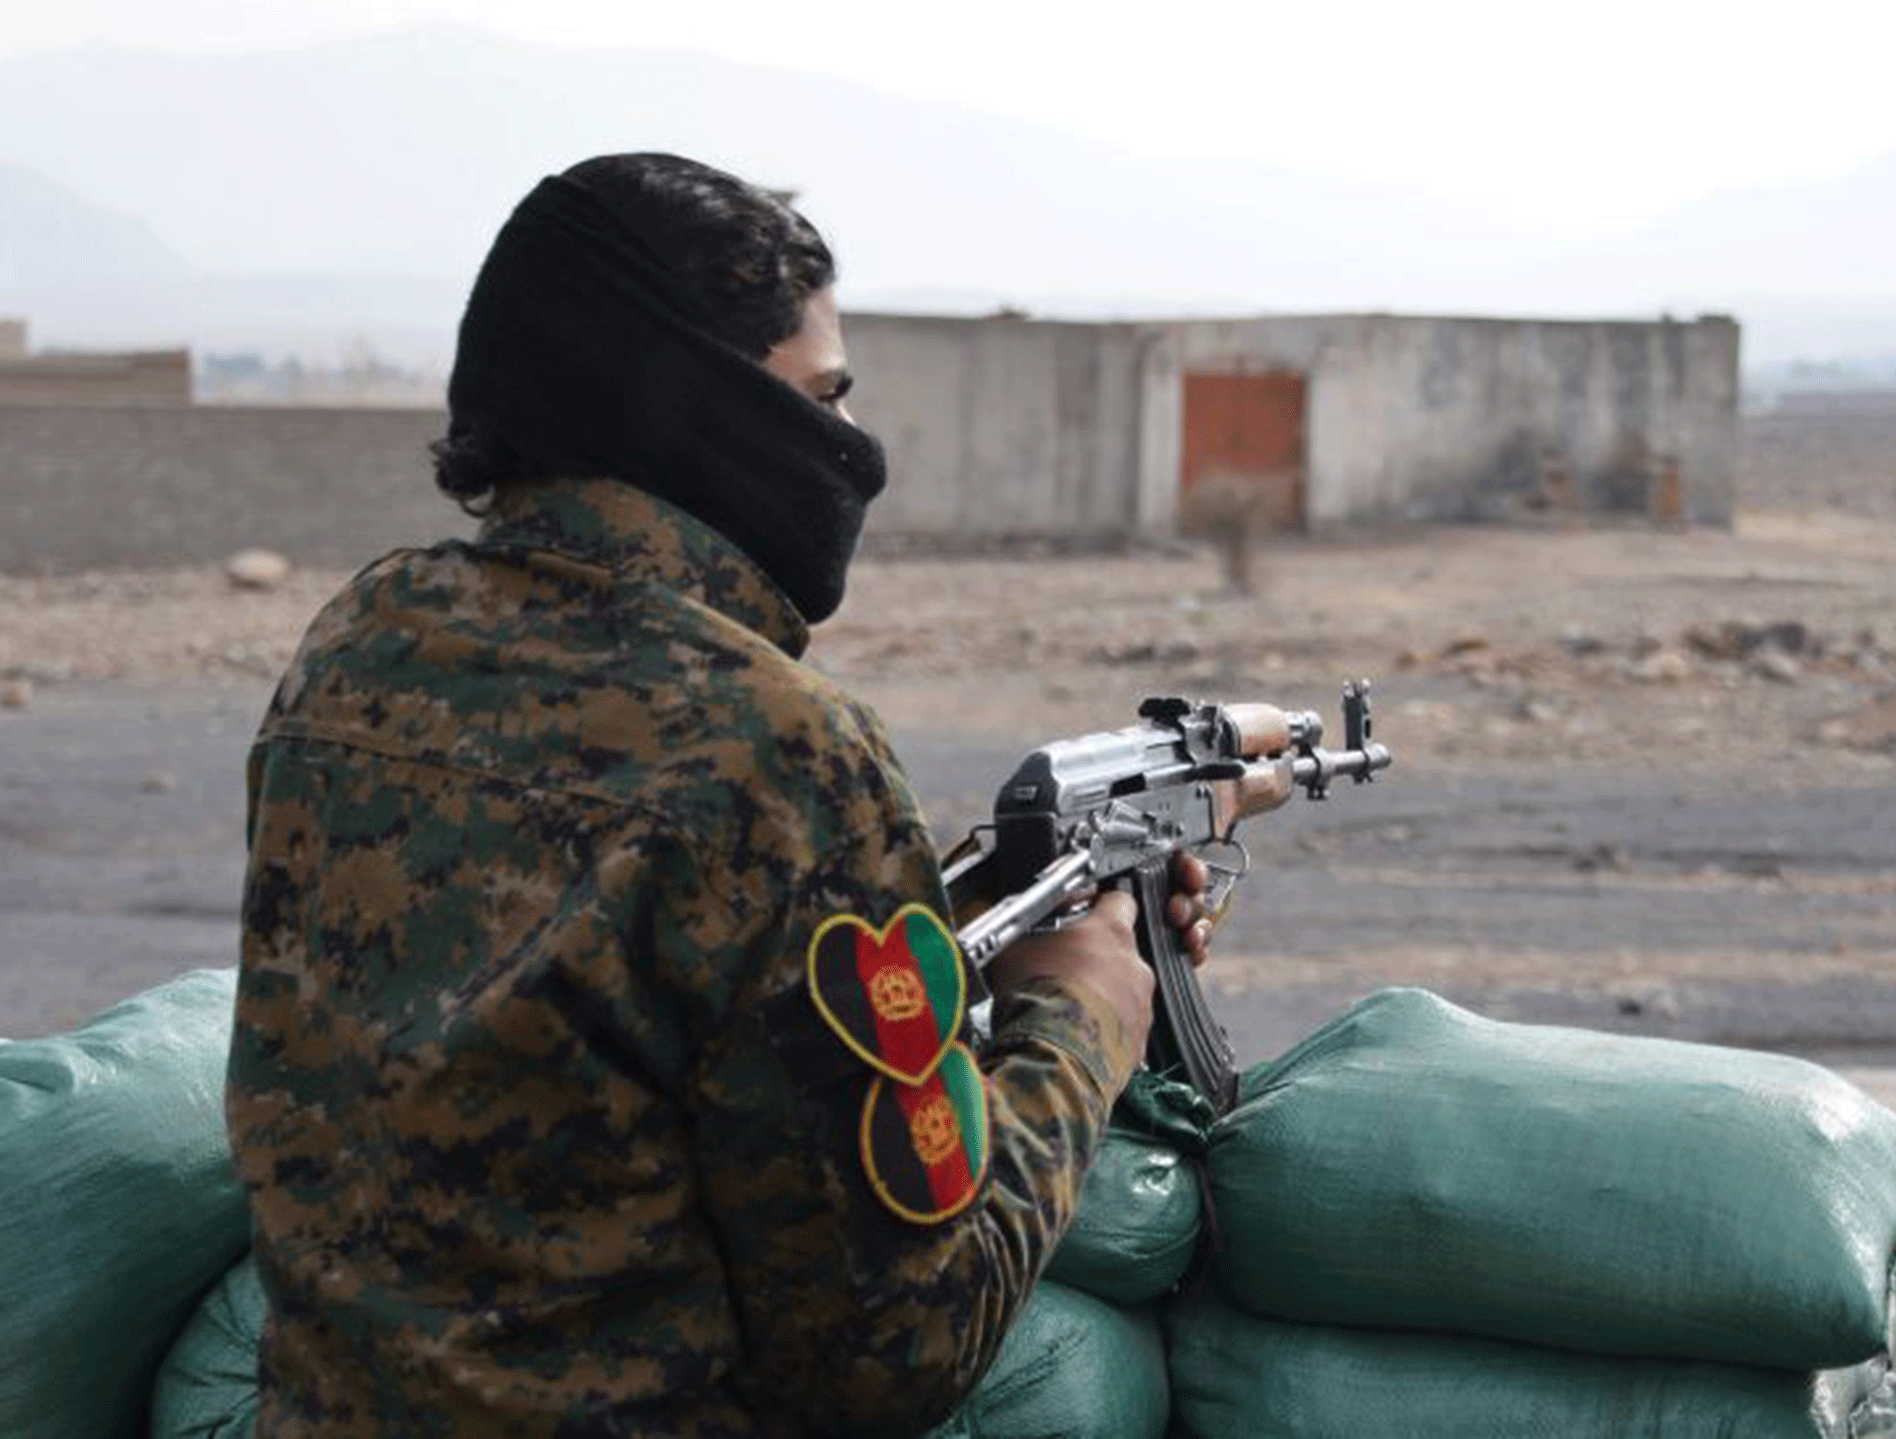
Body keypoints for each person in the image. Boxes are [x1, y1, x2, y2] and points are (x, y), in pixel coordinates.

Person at [226, 152, 1213, 1438]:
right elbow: (897, 1349)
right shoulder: (778, 748)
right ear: (695, 407)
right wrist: (1081, 1012)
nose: (847, 447)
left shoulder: (361, 640)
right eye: (819, 397)